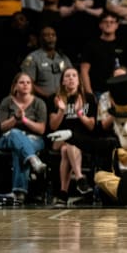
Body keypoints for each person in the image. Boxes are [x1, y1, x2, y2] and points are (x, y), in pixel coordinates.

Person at [48, 67, 97, 207]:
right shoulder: (55, 98)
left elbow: (91, 126)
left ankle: (63, 194)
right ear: (63, 81)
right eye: (67, 76)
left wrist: (80, 113)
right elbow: (52, 126)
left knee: (67, 148)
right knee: (68, 141)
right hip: (59, 138)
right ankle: (80, 179)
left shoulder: (88, 98)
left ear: (79, 80)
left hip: (82, 139)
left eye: (74, 75)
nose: (71, 78)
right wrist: (61, 110)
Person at [0, 72, 47, 204]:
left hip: (34, 139)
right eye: (21, 82)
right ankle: (33, 159)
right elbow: (2, 127)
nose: (25, 85)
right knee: (14, 133)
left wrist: (24, 120)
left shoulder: (39, 103)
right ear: (15, 86)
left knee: (19, 150)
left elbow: (41, 129)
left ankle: (19, 193)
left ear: (31, 86)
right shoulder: (7, 102)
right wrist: (15, 118)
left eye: (28, 83)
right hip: (7, 138)